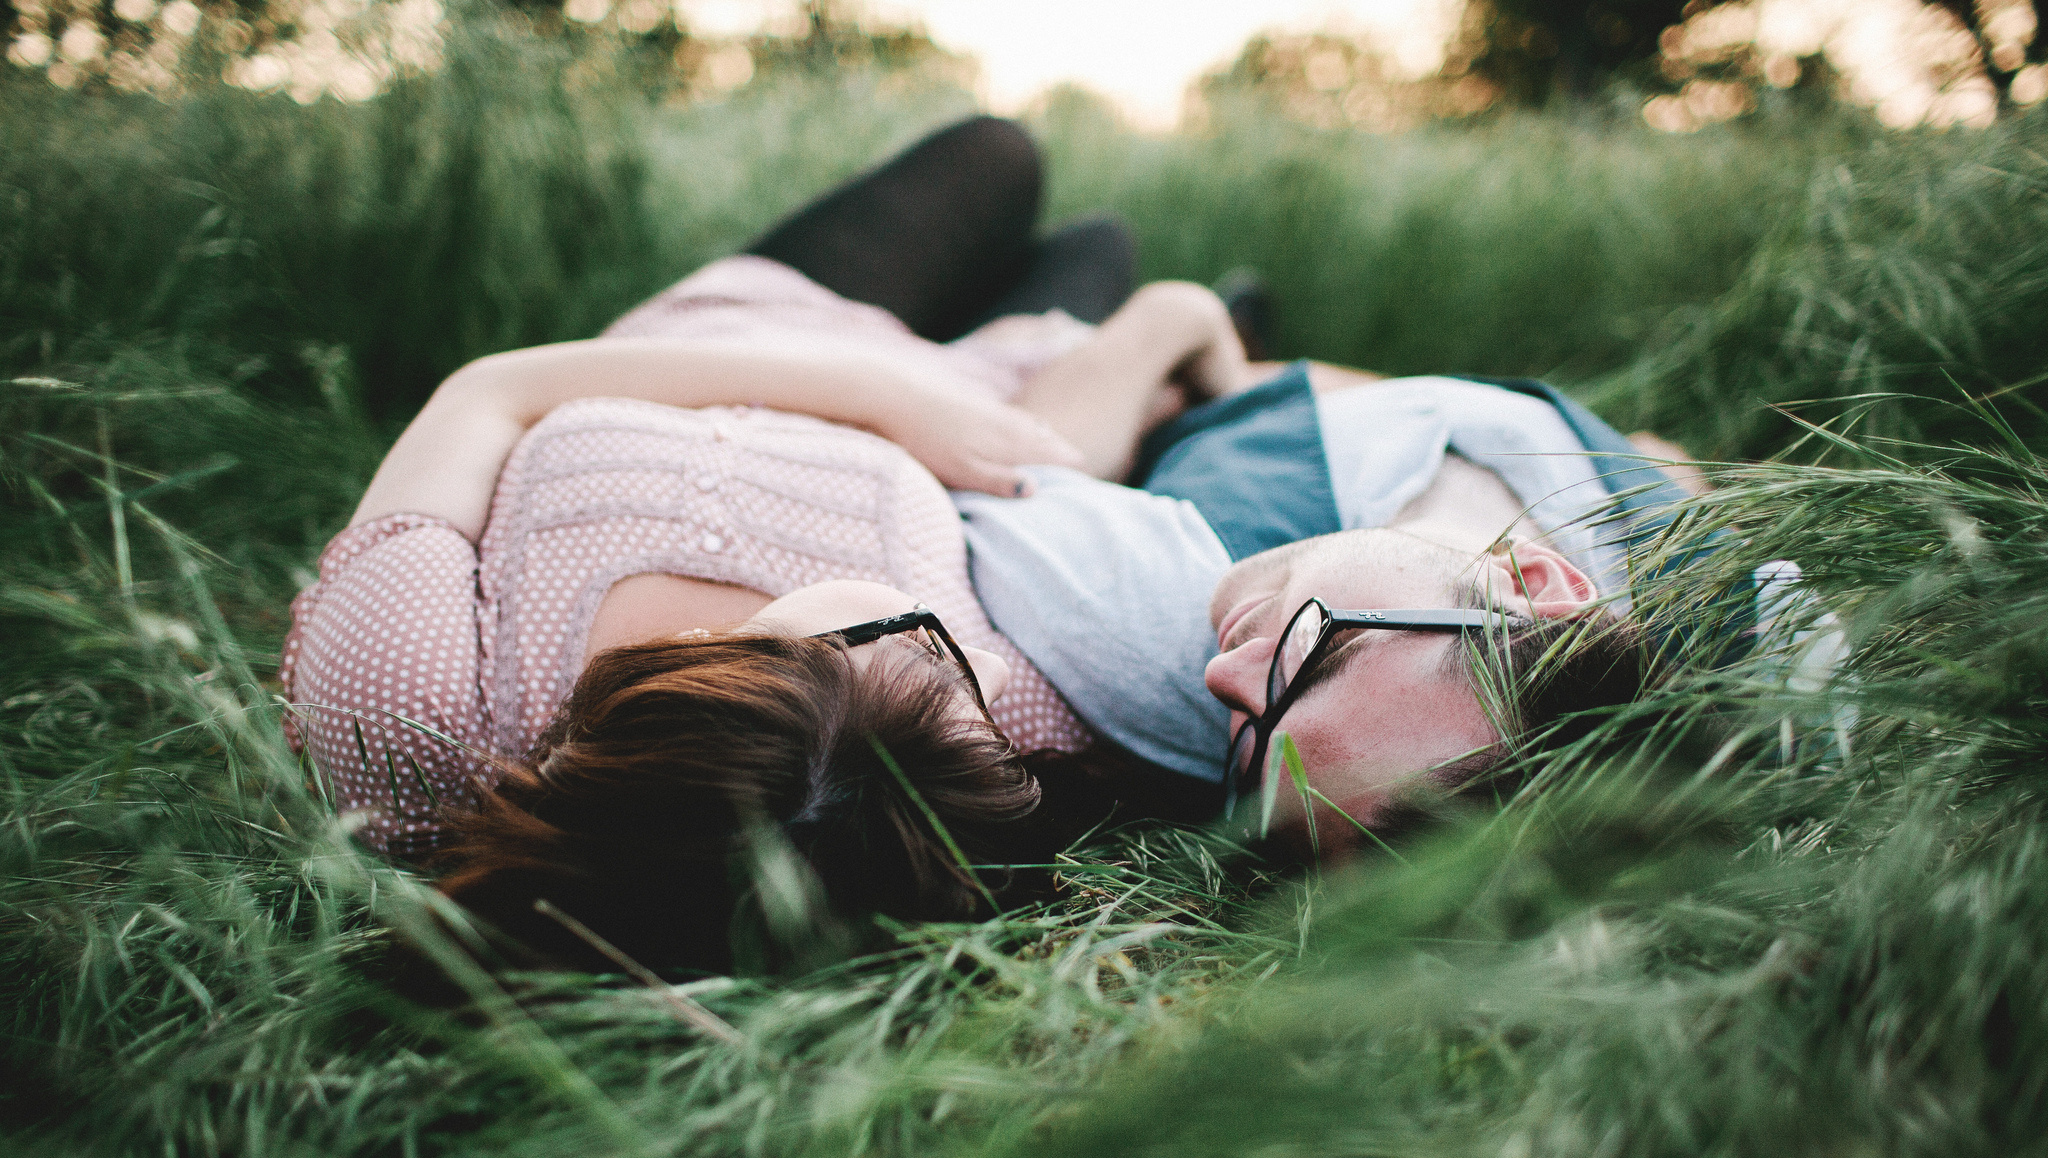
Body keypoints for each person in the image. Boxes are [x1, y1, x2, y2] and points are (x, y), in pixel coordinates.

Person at [281, 116, 1700, 977]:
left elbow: (493, 393)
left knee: (1008, 166)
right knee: (1099, 244)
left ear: (760, 675)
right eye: (948, 646)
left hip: (713, 347)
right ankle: (1215, 329)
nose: (946, 630)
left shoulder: (406, 708)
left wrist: (890, 395)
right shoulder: (985, 740)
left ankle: (1203, 328)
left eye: (909, 638)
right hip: (982, 389)